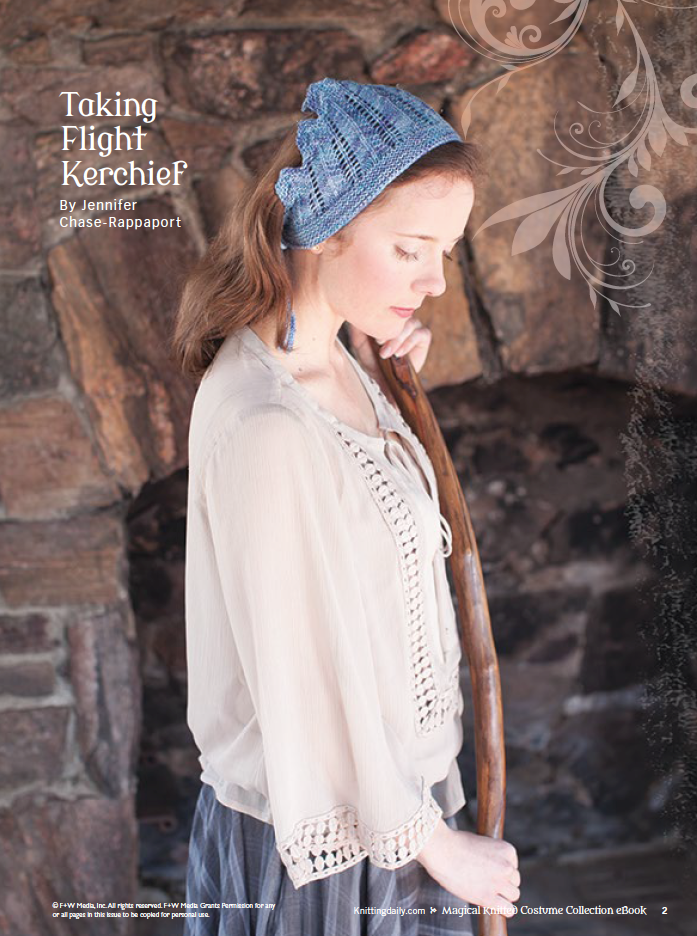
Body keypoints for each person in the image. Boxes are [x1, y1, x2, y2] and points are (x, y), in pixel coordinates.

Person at [174, 77, 520, 935]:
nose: (436, 282)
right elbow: (304, 683)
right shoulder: (267, 425)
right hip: (328, 847)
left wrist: (382, 370)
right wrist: (435, 845)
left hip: (395, 807)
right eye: (410, 250)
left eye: (444, 251)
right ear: (328, 228)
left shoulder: (342, 366)